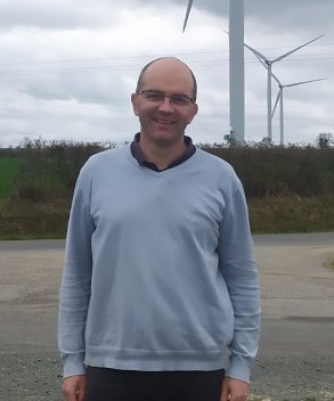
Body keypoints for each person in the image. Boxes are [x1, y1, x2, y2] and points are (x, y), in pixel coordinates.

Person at [58, 57, 261, 401]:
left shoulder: (221, 178)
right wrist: (73, 361)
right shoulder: (96, 173)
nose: (166, 108)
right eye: (154, 95)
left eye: (179, 99)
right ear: (135, 102)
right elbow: (78, 273)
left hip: (200, 369)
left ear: (193, 111)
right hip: (111, 365)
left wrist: (240, 366)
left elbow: (241, 277)